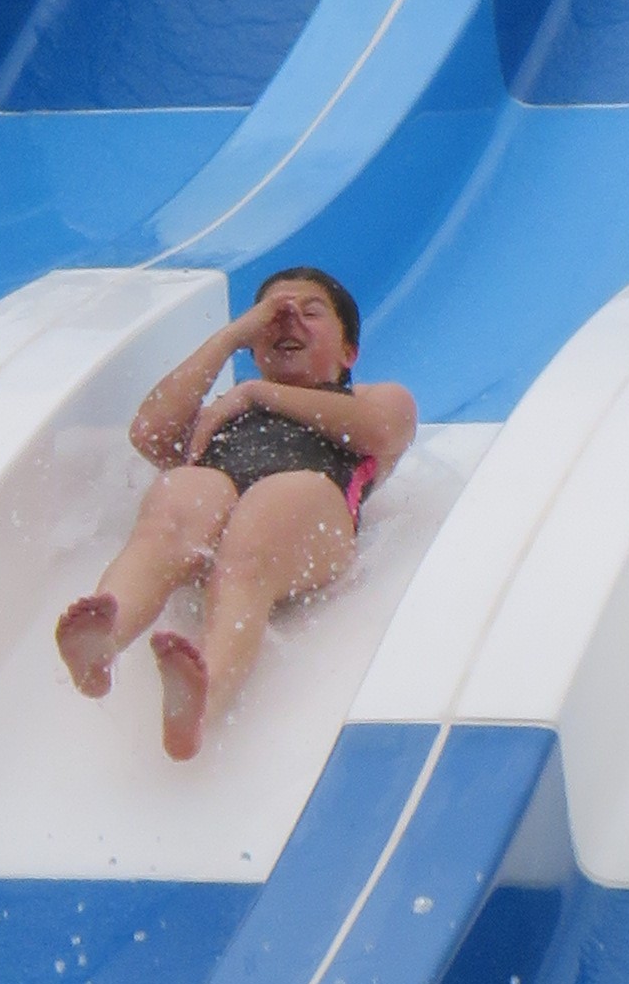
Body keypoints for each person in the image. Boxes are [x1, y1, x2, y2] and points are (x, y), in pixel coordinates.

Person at [53, 266, 415, 765]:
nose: (289, 322)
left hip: (304, 517)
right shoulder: (220, 413)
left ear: (349, 351)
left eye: (310, 312)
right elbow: (149, 432)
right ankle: (103, 640)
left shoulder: (370, 397)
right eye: (273, 317)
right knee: (183, 492)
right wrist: (230, 338)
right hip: (217, 510)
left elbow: (379, 431)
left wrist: (256, 392)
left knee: (268, 511)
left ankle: (207, 694)